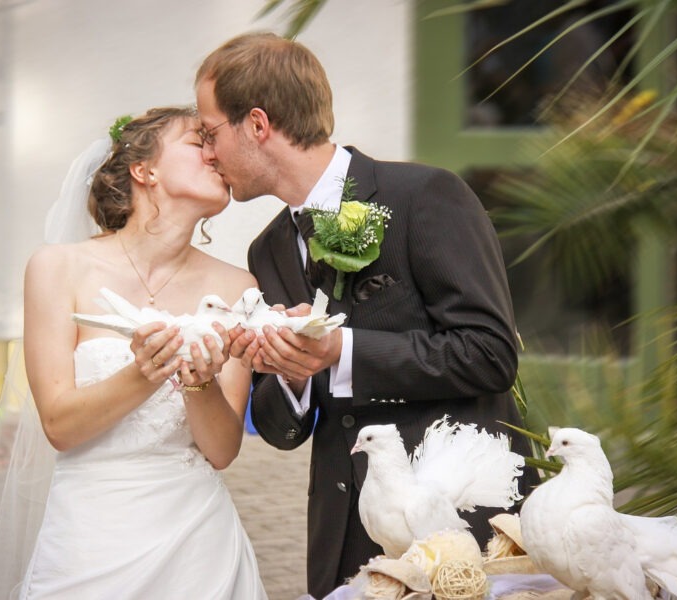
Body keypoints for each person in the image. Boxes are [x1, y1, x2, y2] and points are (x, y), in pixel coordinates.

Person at [195, 33, 538, 598]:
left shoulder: (426, 196)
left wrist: (342, 350)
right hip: (347, 534)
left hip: (460, 524)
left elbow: (491, 354)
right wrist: (293, 374)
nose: (208, 152)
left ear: (257, 125)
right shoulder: (269, 249)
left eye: (210, 133)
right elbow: (283, 430)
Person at [0, 107, 267, 599]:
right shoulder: (58, 269)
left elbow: (221, 451)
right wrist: (147, 372)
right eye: (197, 140)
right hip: (89, 538)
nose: (214, 152)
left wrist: (197, 382)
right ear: (145, 170)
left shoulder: (237, 286)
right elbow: (59, 427)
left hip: (198, 543)